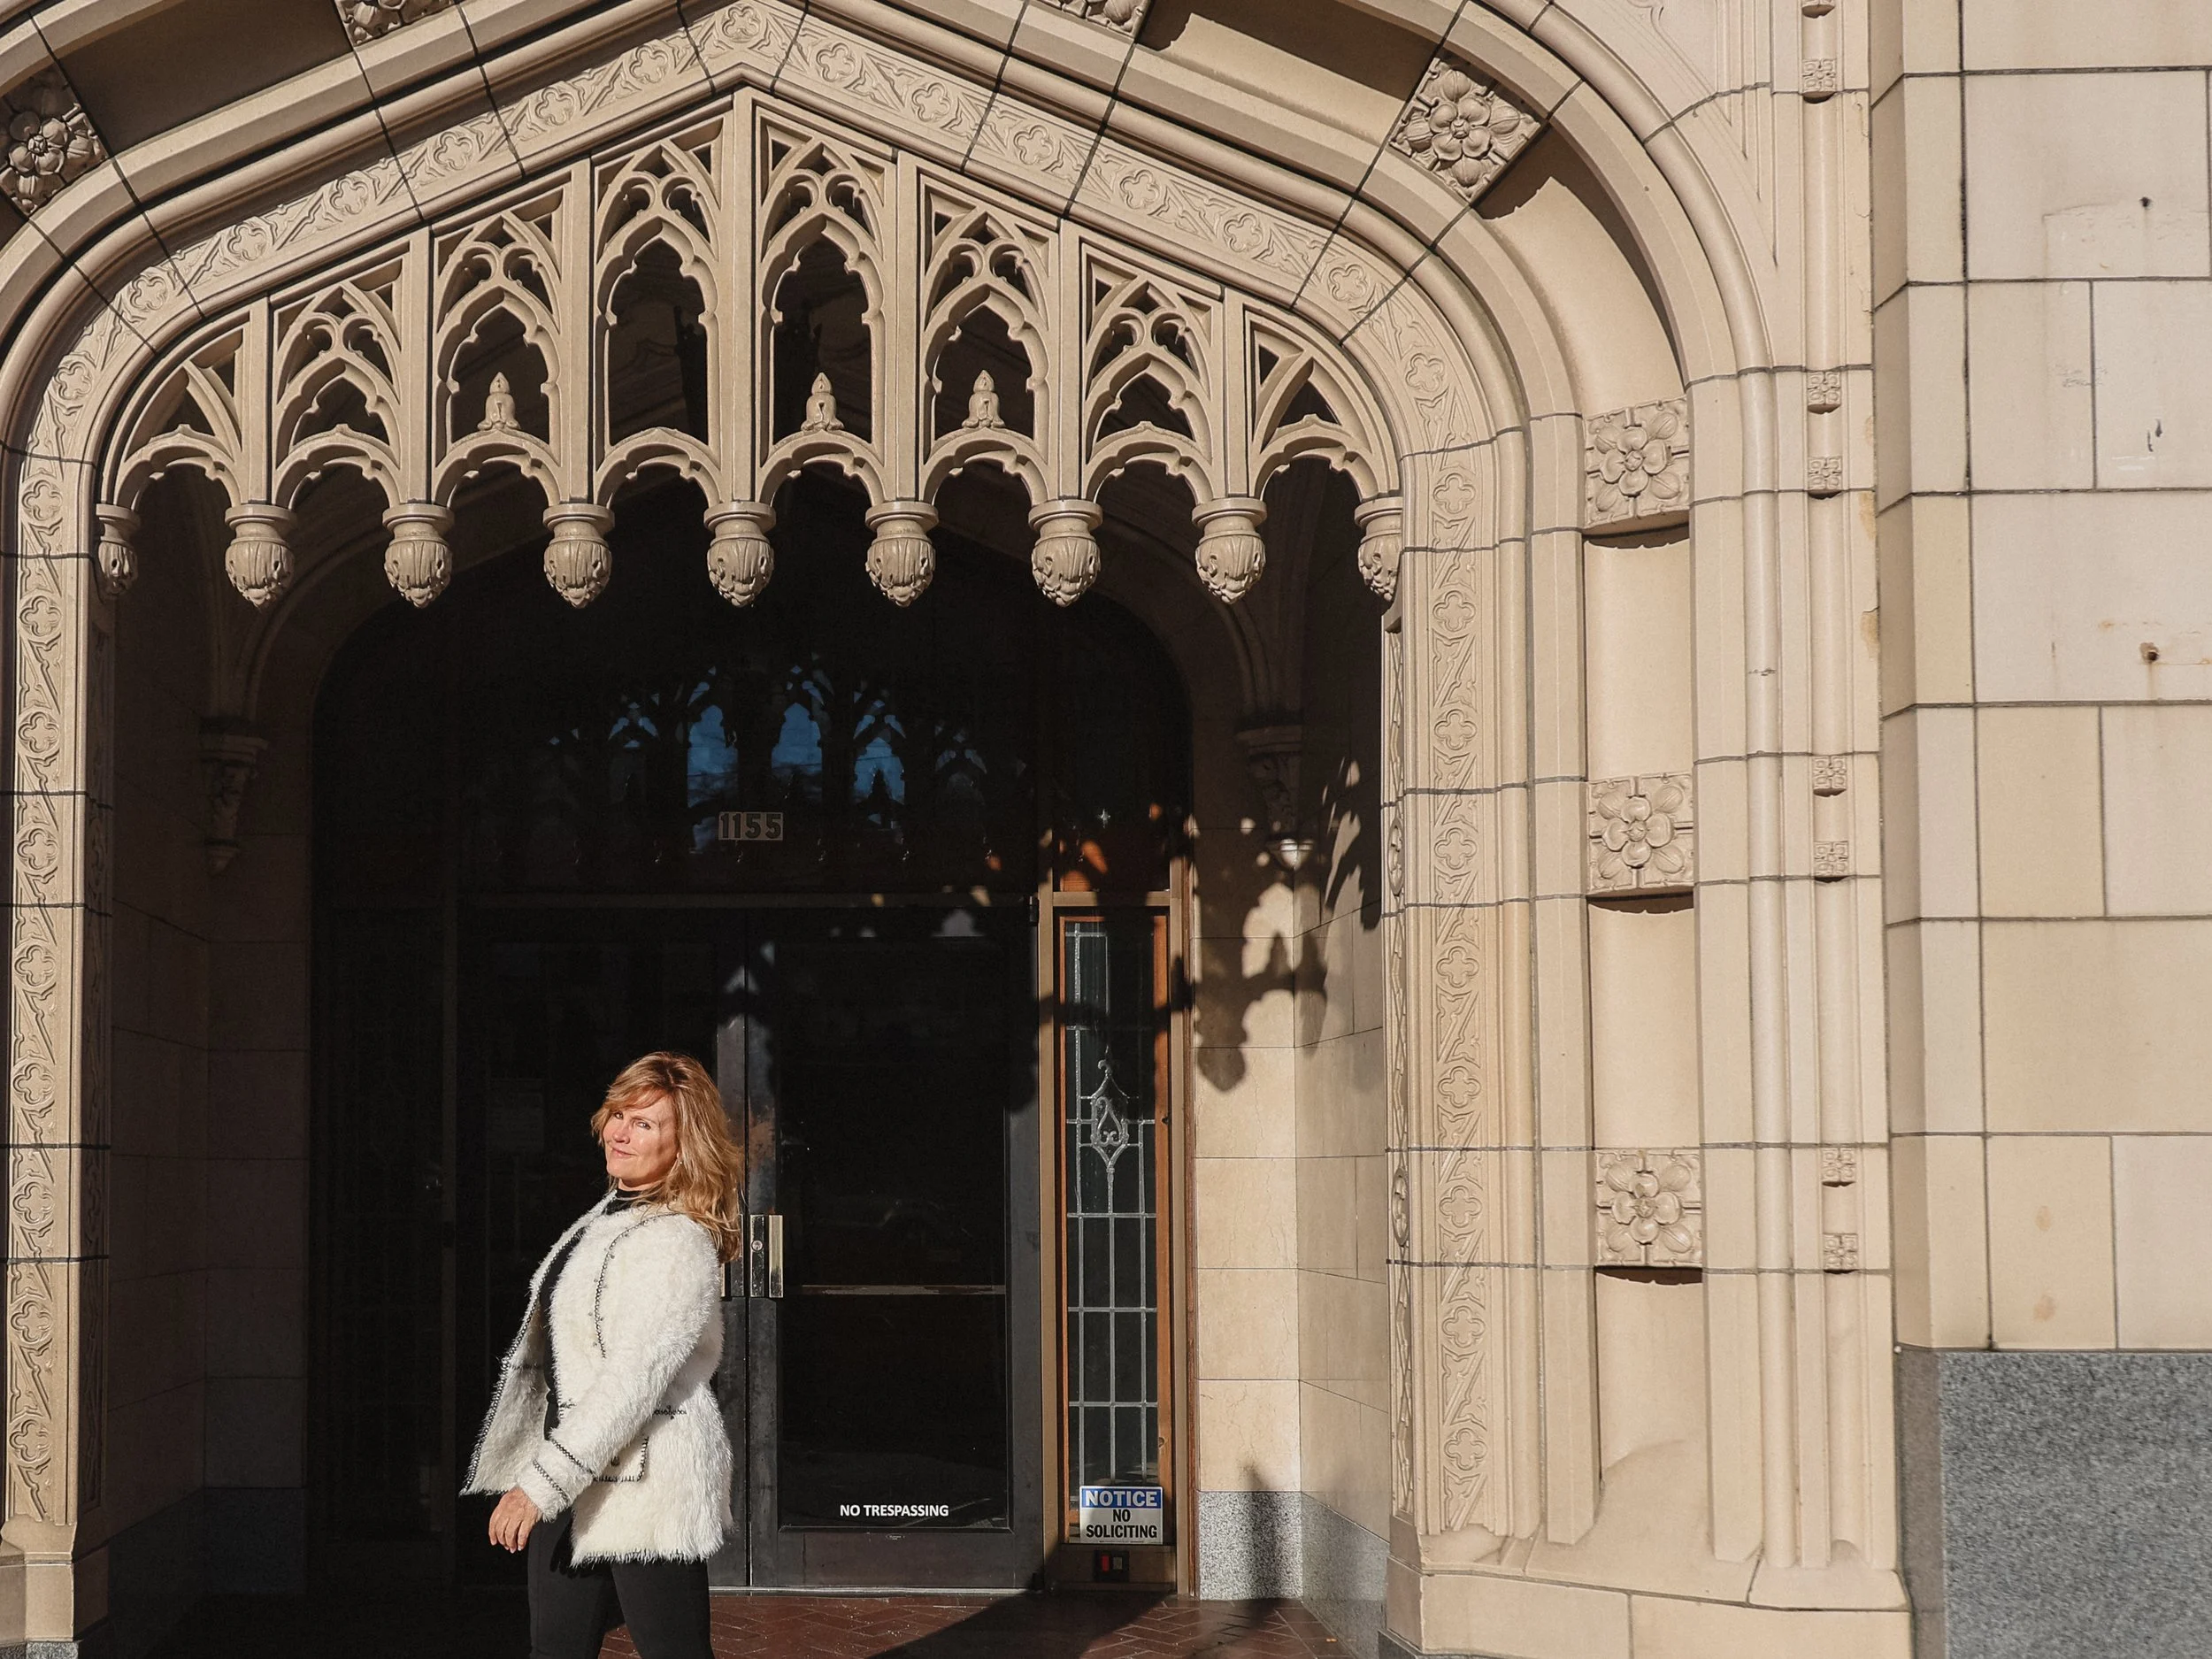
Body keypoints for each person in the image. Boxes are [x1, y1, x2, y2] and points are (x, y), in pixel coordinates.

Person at [465, 1051, 742, 1659]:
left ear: (684, 1145)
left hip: (644, 1485)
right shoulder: (607, 1215)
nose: (620, 1131)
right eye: (619, 1113)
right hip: (573, 1476)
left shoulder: (674, 1238)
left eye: (645, 1124)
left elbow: (632, 1381)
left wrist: (539, 1485)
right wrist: (547, 1476)